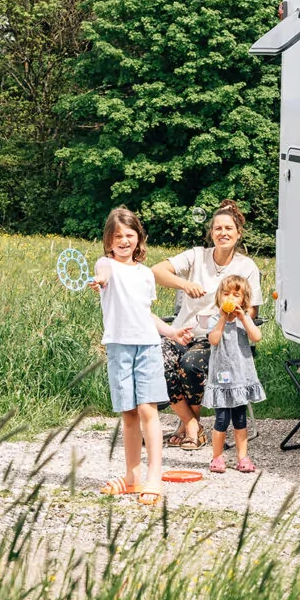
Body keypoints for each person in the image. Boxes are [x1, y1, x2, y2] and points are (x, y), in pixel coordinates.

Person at [153, 200, 264, 450]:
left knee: (190, 364)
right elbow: (156, 271)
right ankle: (191, 425)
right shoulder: (196, 256)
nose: (222, 233)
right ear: (211, 232)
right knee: (157, 360)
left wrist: (233, 313)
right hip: (182, 331)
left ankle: (188, 428)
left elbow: (253, 309)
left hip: (218, 337)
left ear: (238, 233)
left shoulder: (246, 266)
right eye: (217, 229)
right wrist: (184, 284)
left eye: (228, 228)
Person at [91, 207, 180, 507]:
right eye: (118, 236)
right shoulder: (105, 264)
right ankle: (132, 477)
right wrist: (100, 281)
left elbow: (145, 314)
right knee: (128, 413)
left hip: (147, 347)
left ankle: (154, 475)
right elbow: (103, 276)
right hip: (118, 347)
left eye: (130, 235)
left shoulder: (145, 274)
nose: (124, 241)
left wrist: (172, 332)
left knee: (147, 410)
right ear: (109, 240)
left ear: (138, 238)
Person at [203, 275, 265, 473]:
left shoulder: (244, 319)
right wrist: (223, 317)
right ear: (219, 297)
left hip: (241, 376)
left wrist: (243, 317)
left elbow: (257, 337)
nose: (230, 298)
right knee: (222, 419)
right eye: (226, 293)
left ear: (243, 299)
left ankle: (242, 457)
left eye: (236, 295)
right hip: (222, 375)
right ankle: (217, 457)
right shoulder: (215, 318)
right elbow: (213, 340)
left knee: (240, 418)